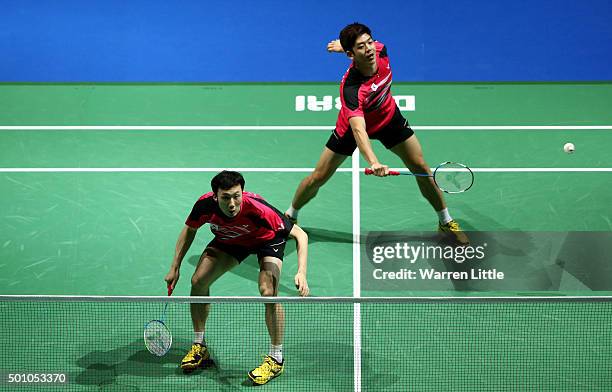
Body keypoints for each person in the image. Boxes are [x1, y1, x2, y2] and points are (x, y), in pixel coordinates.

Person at [285, 23, 468, 245]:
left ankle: (445, 221)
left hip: (388, 118)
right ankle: (290, 215)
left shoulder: (380, 50)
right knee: (319, 177)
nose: (369, 49)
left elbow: (367, 47)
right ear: (352, 55)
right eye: (361, 47)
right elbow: (359, 130)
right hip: (351, 128)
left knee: (421, 167)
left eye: (369, 42)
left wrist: (342, 48)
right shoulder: (351, 88)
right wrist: (373, 161)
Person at [165, 170, 309, 385]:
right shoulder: (204, 206)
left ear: (242, 192)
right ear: (215, 196)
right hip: (230, 240)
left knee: (268, 291)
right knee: (198, 281)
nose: (232, 203)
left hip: (266, 241)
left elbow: (300, 234)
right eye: (226, 197)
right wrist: (175, 267)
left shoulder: (259, 210)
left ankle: (276, 359)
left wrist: (301, 272)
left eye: (236, 196)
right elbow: (189, 230)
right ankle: (199, 346)